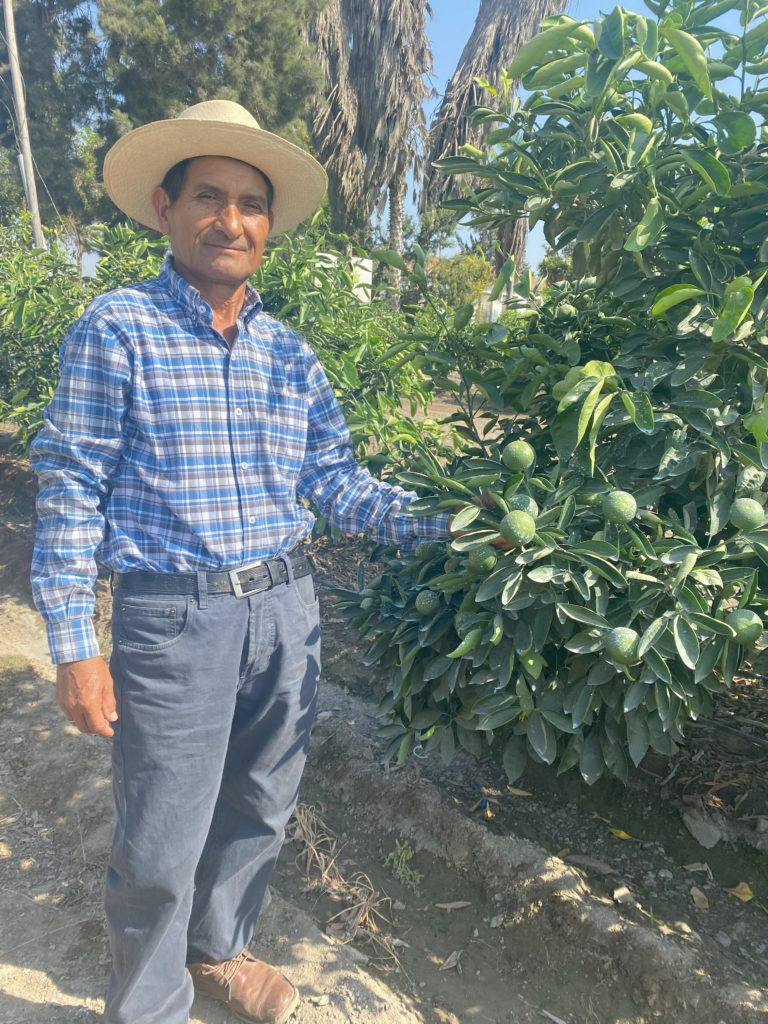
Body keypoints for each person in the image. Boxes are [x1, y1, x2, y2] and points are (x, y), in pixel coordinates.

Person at [30, 100, 449, 1024]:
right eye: (209, 197)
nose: (232, 219)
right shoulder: (117, 330)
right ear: (165, 209)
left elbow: (340, 484)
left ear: (269, 226)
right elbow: (69, 485)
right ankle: (148, 1003)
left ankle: (219, 948)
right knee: (160, 831)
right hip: (174, 617)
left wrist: (459, 525)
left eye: (251, 203)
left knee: (262, 801)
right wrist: (73, 640)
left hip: (286, 610)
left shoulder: (286, 354)